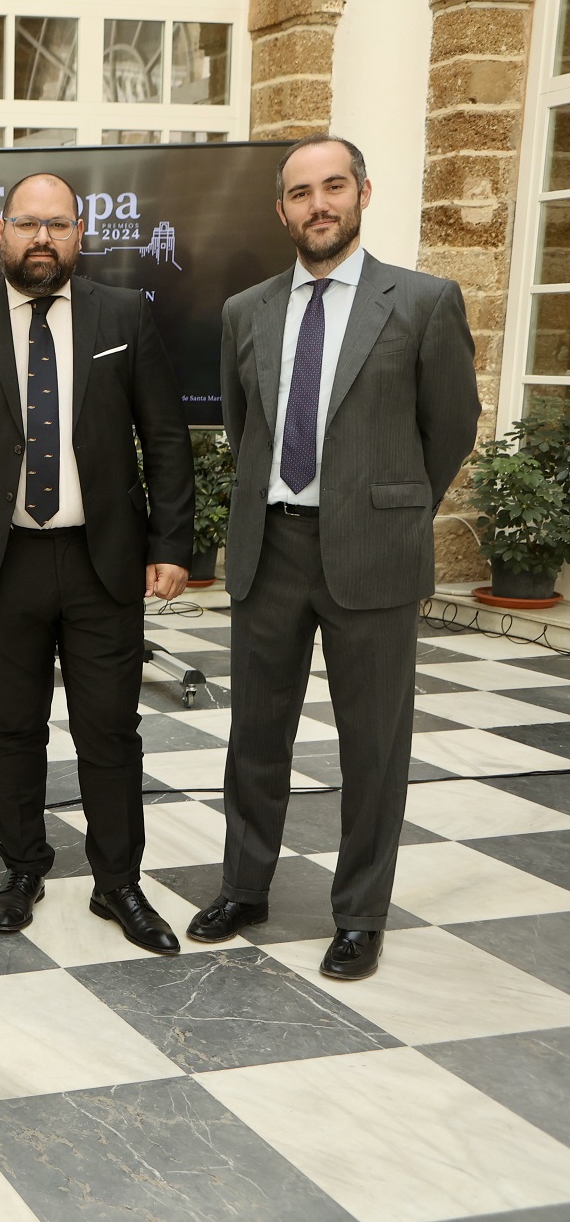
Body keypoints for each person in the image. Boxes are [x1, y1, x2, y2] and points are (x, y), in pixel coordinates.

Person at [190, 135, 479, 979]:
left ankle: (359, 915)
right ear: (280, 209)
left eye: (334, 187)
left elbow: (450, 428)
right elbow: (249, 433)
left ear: (362, 193)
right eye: (300, 192)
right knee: (256, 735)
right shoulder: (247, 310)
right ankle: (244, 887)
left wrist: (384, 507)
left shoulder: (424, 302)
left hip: (374, 556)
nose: (318, 204)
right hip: (270, 548)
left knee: (374, 747)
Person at [0, 171, 193, 955]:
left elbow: (166, 439)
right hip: (0, 564)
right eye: (27, 224)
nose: (43, 238)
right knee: (13, 728)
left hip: (103, 561)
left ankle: (119, 884)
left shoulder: (123, 315)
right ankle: (22, 868)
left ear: (80, 235)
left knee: (110, 729)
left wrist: (172, 545)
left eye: (58, 225)